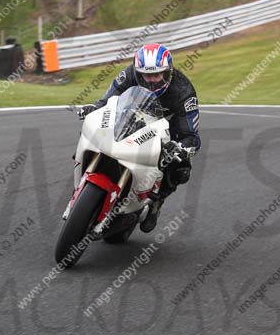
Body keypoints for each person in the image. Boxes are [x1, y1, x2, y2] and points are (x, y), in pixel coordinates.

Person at [78, 43, 200, 232]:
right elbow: (107, 101)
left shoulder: (184, 93)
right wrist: (94, 109)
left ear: (168, 72)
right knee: (92, 126)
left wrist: (180, 148)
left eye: (157, 75)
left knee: (181, 168)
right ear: (137, 72)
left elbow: (191, 137)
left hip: (168, 130)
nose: (151, 80)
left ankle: (156, 203)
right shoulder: (129, 75)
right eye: (146, 75)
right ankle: (83, 177)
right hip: (131, 116)